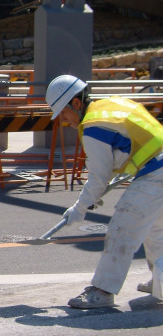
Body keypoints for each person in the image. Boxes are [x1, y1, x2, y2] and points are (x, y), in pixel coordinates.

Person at [46, 74, 163, 309]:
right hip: (157, 168)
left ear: (76, 104)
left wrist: (79, 208)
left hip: (155, 174)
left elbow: (99, 178)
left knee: (122, 228)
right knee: (155, 228)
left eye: (64, 114)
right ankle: (159, 281)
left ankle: (103, 290)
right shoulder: (110, 106)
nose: (64, 121)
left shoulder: (92, 126)